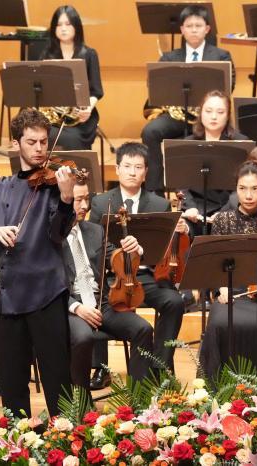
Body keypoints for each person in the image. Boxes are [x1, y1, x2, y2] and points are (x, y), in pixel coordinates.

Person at [0, 108, 76, 418]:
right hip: (11, 294)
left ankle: (65, 437)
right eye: (31, 142)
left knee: (57, 376)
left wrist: (66, 199)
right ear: (16, 144)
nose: (40, 149)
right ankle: (18, 439)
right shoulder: (0, 188)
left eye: (43, 142)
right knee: (13, 379)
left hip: (47, 291)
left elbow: (58, 234)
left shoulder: (56, 186)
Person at [89, 142, 188, 385]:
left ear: (146, 172)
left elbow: (166, 248)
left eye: (138, 167)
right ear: (117, 169)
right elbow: (94, 243)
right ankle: (100, 368)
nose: (132, 172)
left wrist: (181, 232)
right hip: (113, 276)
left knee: (174, 301)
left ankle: (159, 365)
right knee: (94, 297)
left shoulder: (160, 204)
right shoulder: (101, 202)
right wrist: (119, 254)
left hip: (147, 276)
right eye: (127, 166)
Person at [201, 161, 257, 377]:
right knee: (218, 321)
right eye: (242, 188)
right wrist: (221, 288)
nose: (249, 195)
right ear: (236, 188)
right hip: (231, 289)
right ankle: (218, 382)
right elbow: (214, 262)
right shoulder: (222, 220)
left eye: (255, 189)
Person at [65, 179, 153, 391]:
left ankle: (138, 399)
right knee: (84, 337)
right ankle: (81, 402)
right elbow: (46, 284)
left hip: (101, 304)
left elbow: (117, 260)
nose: (85, 206)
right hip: (70, 307)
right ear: (64, 199)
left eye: (87, 199)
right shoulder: (49, 236)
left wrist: (135, 249)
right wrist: (76, 307)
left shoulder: (95, 231)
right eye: (78, 200)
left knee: (143, 329)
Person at [141, 5, 235, 195]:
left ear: (207, 29)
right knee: (150, 131)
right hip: (177, 116)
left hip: (209, 117)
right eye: (189, 26)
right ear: (182, 29)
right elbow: (159, 89)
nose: (193, 30)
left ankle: (211, 192)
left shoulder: (221, 55)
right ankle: (154, 191)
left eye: (198, 26)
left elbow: (228, 86)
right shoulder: (168, 58)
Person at [181, 90, 248, 233]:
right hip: (196, 210)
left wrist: (225, 212)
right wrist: (190, 207)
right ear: (201, 113)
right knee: (181, 230)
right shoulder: (188, 142)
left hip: (229, 207)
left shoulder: (241, 142)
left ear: (228, 115)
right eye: (208, 111)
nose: (213, 116)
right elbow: (181, 183)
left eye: (220, 112)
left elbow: (245, 182)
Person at [41, 5, 103, 151]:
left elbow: (96, 91)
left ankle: (75, 166)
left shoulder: (89, 54)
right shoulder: (47, 54)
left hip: (80, 117)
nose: (63, 28)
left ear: (76, 26)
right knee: (34, 131)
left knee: (71, 138)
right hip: (53, 116)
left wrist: (87, 109)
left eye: (68, 24)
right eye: (59, 25)